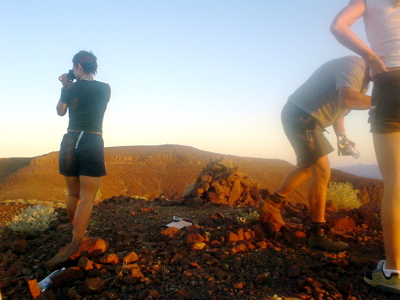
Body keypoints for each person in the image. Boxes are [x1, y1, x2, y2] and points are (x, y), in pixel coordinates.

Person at [261, 56, 371, 252]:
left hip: (308, 119)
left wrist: (341, 137)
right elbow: (347, 99)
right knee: (322, 171)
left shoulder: (363, 81)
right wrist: (389, 100)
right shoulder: (356, 66)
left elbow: (340, 109)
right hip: (302, 116)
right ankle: (317, 235)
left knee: (309, 168)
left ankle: (271, 204)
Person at [331, 0, 400, 294]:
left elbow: (338, 26)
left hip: (391, 79)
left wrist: (371, 56)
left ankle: (394, 272)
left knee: (396, 185)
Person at [47, 50, 111, 268]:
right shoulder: (105, 88)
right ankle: (77, 240)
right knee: (87, 196)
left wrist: (65, 87)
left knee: (73, 193)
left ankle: (75, 227)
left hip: (70, 141)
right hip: (92, 141)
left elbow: (60, 111)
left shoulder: (70, 88)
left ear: (78, 67)